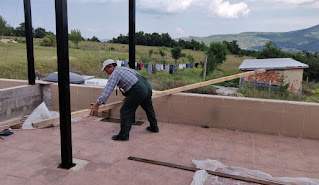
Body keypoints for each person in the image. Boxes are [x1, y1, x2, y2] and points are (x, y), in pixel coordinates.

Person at [90, 59, 159, 141]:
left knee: (125, 110)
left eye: (106, 70)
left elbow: (107, 90)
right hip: (146, 86)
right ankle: (154, 127)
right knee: (148, 107)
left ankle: (123, 135)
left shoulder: (115, 73)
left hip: (138, 89)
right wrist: (131, 96)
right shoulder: (124, 68)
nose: (107, 72)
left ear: (111, 66)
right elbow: (133, 80)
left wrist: (97, 104)